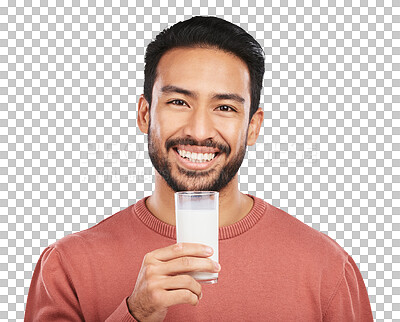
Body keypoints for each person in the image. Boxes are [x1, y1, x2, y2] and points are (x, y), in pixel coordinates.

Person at [25, 16, 373, 321]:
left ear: (253, 126)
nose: (200, 131)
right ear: (145, 114)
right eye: (179, 102)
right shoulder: (66, 267)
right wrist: (136, 314)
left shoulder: (327, 268)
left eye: (225, 107)